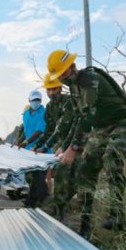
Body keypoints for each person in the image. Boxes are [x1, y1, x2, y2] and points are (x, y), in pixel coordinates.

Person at [47, 49, 126, 238]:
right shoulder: (75, 87)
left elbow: (88, 117)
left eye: (64, 73)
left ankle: (117, 214)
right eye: (59, 76)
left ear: (72, 66)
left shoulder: (89, 79)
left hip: (120, 123)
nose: (62, 78)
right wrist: (65, 145)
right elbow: (79, 118)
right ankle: (85, 224)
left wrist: (73, 148)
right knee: (85, 169)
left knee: (112, 158)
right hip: (100, 129)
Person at [32, 74, 77, 221]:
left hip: (78, 142)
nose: (51, 93)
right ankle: (60, 212)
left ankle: (78, 216)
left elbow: (64, 128)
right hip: (64, 146)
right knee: (62, 177)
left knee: (79, 179)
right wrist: (38, 146)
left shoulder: (69, 102)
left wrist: (46, 147)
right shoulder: (50, 108)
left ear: (60, 88)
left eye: (54, 89)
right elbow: (50, 131)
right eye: (49, 90)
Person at [16, 90, 48, 208]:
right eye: (34, 100)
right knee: (33, 177)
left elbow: (40, 131)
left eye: (38, 100)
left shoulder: (43, 113)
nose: (36, 102)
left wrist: (26, 141)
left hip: (40, 149)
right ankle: (39, 198)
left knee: (39, 176)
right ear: (29, 100)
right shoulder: (26, 114)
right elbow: (25, 131)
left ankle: (35, 201)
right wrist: (18, 141)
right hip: (28, 151)